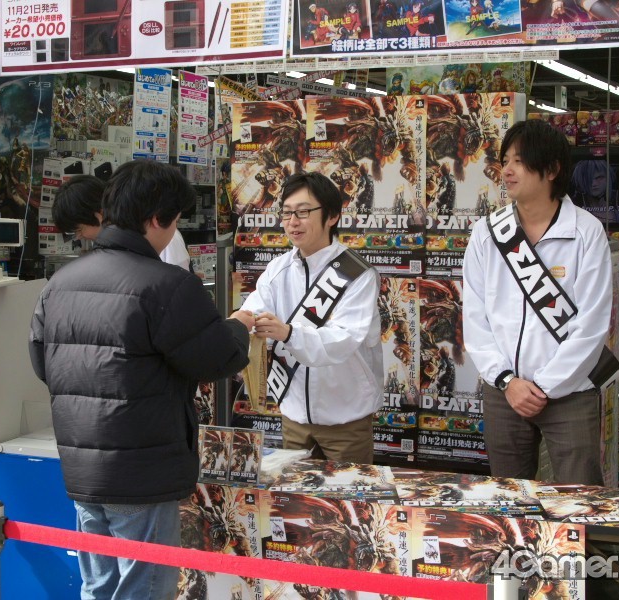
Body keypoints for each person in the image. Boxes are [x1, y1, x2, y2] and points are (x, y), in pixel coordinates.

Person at [29, 160, 253, 600]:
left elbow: (43, 363)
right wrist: (239, 326)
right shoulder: (168, 285)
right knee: (146, 588)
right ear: (156, 219)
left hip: (81, 464)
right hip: (142, 469)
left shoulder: (59, 283)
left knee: (98, 585)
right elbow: (217, 358)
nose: (174, 232)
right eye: (175, 221)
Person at [462, 119, 612, 485]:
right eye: (505, 161)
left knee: (578, 498)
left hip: (570, 392)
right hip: (505, 393)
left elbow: (592, 324)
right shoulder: (487, 233)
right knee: (510, 497)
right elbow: (475, 317)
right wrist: (507, 380)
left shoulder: (585, 232)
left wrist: (546, 385)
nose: (507, 171)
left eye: (519, 161)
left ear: (552, 169)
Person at [239, 172, 383, 464]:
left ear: (332, 216)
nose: (293, 221)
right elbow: (253, 309)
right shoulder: (278, 269)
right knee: (292, 492)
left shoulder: (357, 274)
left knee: (347, 491)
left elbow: (343, 340)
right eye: (287, 213)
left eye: (303, 212)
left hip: (346, 419)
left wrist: (288, 333)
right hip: (293, 416)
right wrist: (238, 322)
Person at [53, 173, 191, 269]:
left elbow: (178, 284)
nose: (79, 237)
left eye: (79, 230)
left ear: (100, 213)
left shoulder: (161, 233)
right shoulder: (104, 249)